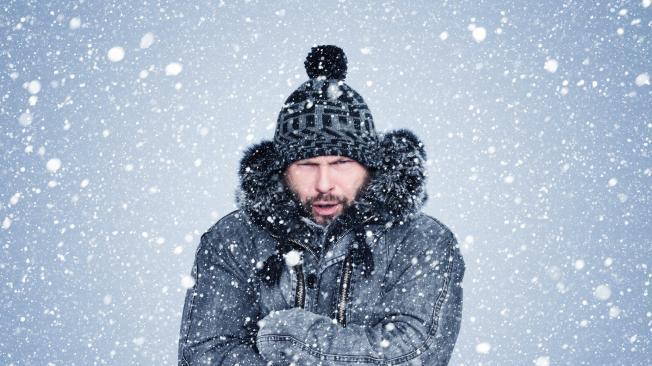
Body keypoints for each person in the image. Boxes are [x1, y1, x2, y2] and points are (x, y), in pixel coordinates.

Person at [178, 45, 465, 365]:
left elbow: (413, 355)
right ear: (282, 170)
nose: (324, 184)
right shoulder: (234, 239)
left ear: (368, 167)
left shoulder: (422, 240)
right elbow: (206, 354)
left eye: (341, 162)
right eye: (307, 165)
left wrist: (286, 335)